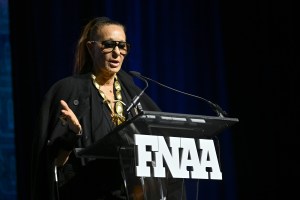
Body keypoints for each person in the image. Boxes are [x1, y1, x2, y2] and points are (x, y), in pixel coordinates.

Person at [30, 16, 186, 200]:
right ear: (91, 47)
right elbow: (54, 165)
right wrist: (73, 135)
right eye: (109, 45)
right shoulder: (68, 91)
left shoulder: (135, 93)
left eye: (122, 46)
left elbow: (163, 144)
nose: (116, 52)